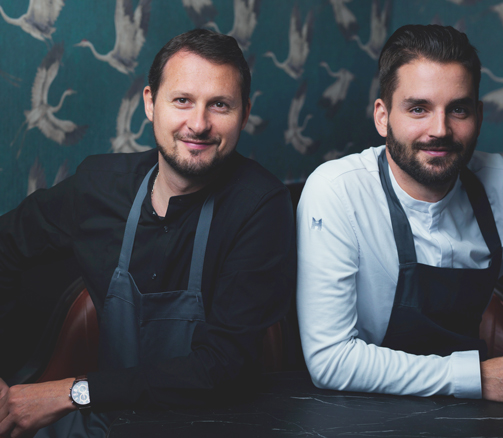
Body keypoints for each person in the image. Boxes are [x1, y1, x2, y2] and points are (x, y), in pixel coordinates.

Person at [0, 29, 296, 437]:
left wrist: (74, 392)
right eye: (182, 101)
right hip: (107, 424)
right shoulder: (99, 185)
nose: (198, 123)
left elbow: (223, 366)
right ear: (150, 103)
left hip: (215, 426)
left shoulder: (261, 205)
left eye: (220, 105)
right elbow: (6, 244)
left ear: (244, 114)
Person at [296, 24, 503, 404]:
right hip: (355, 412)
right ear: (382, 116)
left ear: (479, 114)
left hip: (470, 419)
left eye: (458, 109)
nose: (439, 130)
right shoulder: (337, 191)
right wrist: (478, 378)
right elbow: (331, 360)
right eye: (418, 108)